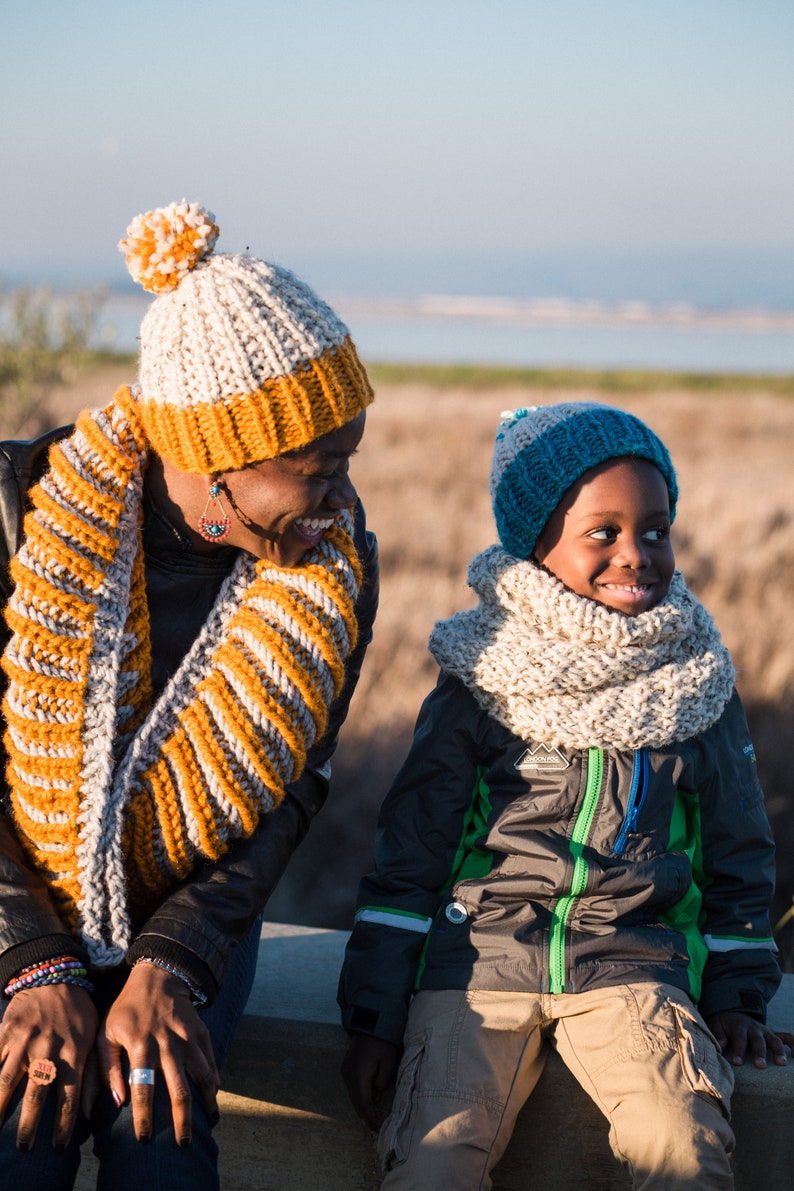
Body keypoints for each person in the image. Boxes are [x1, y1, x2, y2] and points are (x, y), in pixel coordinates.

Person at [0, 199, 378, 1189]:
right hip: (12, 899)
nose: (342, 498)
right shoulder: (16, 515)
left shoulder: (331, 566)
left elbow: (291, 789)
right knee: (20, 1119)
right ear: (209, 463)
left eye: (349, 461)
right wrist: (33, 961)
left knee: (153, 1111)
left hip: (191, 916)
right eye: (316, 468)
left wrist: (171, 962)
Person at [338, 402, 791, 1190]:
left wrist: (739, 995)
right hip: (476, 968)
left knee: (684, 1149)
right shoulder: (483, 675)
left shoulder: (693, 682)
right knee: (433, 1159)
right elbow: (411, 849)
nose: (636, 555)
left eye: (656, 529)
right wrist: (376, 1015)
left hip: (632, 970)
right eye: (603, 532)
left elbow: (738, 849)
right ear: (538, 542)